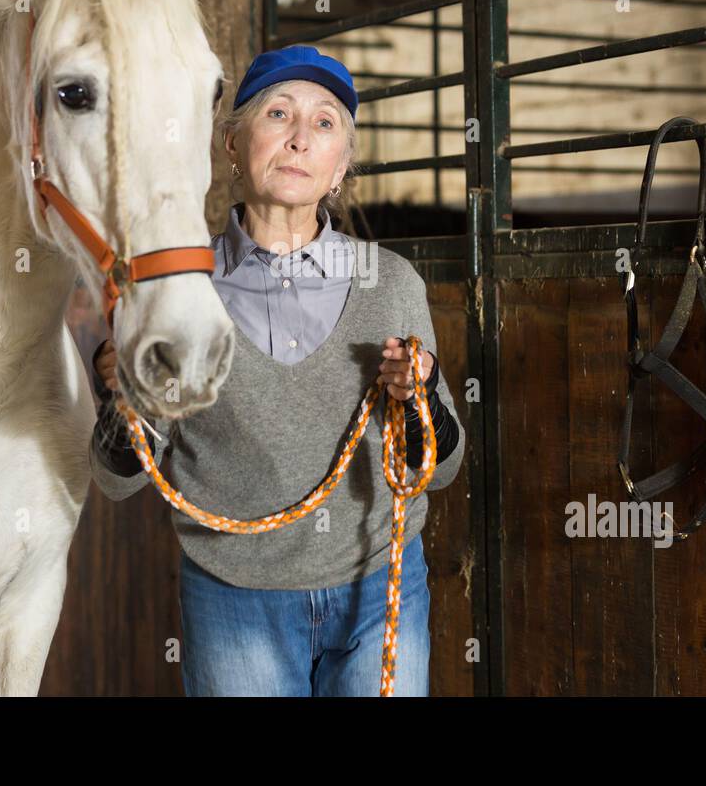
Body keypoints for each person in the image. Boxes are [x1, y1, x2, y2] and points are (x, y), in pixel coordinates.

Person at [88, 44, 464, 696]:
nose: (298, 139)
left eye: (324, 124)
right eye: (278, 114)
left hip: (379, 588)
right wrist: (118, 394)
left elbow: (444, 467)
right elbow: (118, 479)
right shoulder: (179, 292)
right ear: (233, 144)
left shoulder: (392, 285)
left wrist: (421, 394)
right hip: (235, 598)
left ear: (341, 164)